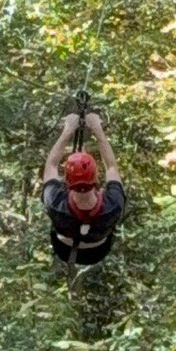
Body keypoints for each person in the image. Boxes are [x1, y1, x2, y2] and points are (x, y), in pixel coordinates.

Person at [42, 112, 126, 265]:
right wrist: (97, 129)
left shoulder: (55, 202)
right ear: (96, 177)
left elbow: (51, 165)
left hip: (64, 250)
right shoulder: (113, 204)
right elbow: (111, 167)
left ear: (66, 179)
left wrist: (68, 130)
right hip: (96, 253)